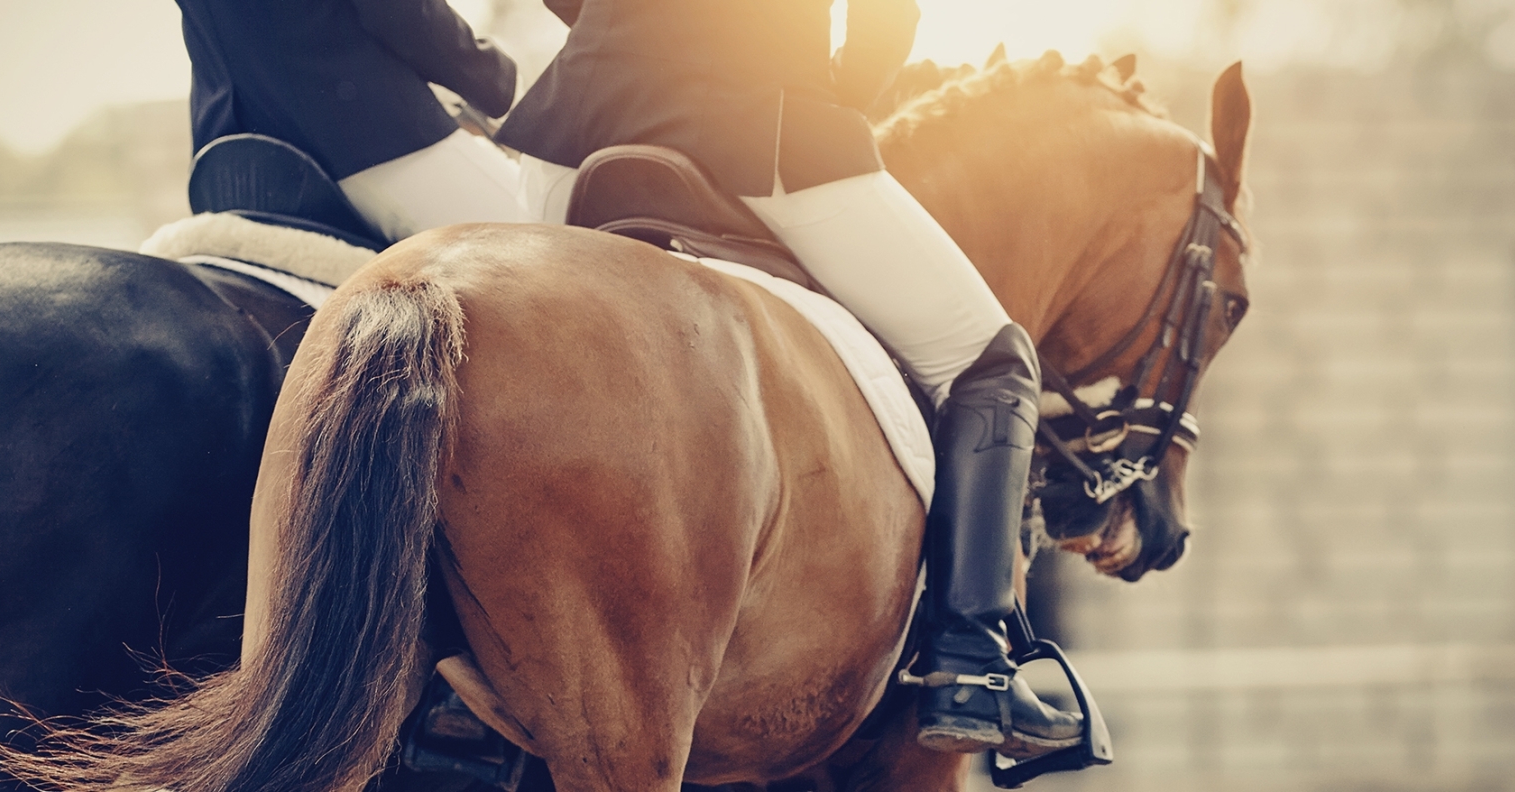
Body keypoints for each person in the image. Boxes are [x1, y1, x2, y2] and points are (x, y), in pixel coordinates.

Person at [496, 0, 1083, 757]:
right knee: (993, 359)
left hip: (570, 134)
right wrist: (841, 97)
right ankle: (970, 663)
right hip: (762, 130)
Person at [173, 0, 527, 242]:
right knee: (545, 241)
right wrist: (499, 83)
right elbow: (402, 14)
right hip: (362, 136)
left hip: (230, 166)